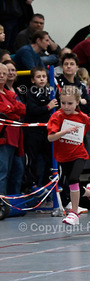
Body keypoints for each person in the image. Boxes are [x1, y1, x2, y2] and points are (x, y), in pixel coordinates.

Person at [47, 86, 90, 225]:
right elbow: (50, 138)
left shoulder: (82, 117)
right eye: (63, 103)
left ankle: (74, 214)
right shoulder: (57, 116)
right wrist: (64, 132)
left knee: (74, 179)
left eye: (70, 103)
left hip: (79, 154)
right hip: (63, 157)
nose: (66, 106)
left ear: (77, 102)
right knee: (71, 185)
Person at [23, 66, 55, 192]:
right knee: (32, 158)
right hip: (33, 131)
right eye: (38, 77)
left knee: (49, 158)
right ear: (32, 80)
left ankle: (48, 182)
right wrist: (47, 106)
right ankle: (31, 184)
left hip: (47, 131)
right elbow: (32, 110)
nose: (41, 79)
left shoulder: (50, 90)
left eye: (43, 76)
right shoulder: (31, 92)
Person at [0, 63, 26, 196]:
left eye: (4, 74)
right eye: (0, 73)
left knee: (17, 171)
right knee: (2, 172)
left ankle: (13, 203)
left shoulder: (9, 93)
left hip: (15, 138)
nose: (2, 76)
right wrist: (13, 110)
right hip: (3, 139)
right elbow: (3, 110)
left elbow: (22, 109)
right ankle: (2, 204)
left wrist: (12, 110)